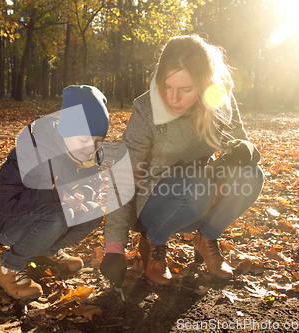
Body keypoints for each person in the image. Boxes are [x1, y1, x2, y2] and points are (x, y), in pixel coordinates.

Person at [100, 35, 264, 286]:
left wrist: (245, 150)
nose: (173, 99)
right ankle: (153, 243)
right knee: (194, 184)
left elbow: (240, 140)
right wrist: (114, 247)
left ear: (203, 84)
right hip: (155, 199)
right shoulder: (147, 109)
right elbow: (122, 174)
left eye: (186, 90)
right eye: (167, 86)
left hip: (198, 192)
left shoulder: (220, 100)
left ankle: (206, 238)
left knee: (252, 175)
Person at [0, 85, 109, 301]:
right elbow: (7, 205)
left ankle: (44, 252)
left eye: (98, 141)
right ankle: (7, 268)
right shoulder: (32, 149)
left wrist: (84, 193)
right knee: (58, 214)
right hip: (7, 221)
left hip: (47, 212)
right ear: (66, 131)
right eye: (84, 140)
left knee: (93, 212)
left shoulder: (90, 151)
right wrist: (58, 195)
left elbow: (92, 182)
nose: (91, 148)